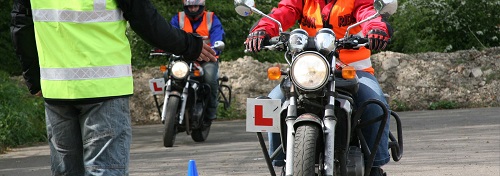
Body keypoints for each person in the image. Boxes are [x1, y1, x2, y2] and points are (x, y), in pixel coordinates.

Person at [10, 0, 216, 175]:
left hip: (57, 89)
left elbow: (21, 22)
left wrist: (34, 77)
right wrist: (190, 46)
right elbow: (145, 19)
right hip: (104, 90)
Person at [244, 0, 393, 175]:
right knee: (273, 101)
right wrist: (262, 29)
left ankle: (374, 164)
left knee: (374, 103)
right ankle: (282, 160)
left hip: (352, 69)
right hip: (310, 69)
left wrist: (377, 29)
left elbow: (368, 13)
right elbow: (283, 11)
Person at [170, 0, 225, 124]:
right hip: (184, 59)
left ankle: (211, 113)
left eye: (195, 6)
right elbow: (170, 35)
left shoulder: (211, 18)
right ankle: (171, 107)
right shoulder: (178, 18)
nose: (193, 9)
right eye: (190, 7)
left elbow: (218, 36)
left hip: (206, 59)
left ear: (202, 6)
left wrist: (216, 48)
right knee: (168, 75)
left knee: (210, 78)